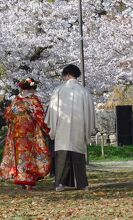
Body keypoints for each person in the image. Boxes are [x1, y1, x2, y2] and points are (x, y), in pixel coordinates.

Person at [45, 64, 96, 192]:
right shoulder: (84, 91)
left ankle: (60, 183)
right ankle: (82, 184)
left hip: (62, 125)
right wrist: (87, 127)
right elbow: (90, 112)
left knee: (62, 154)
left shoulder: (58, 90)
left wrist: (52, 126)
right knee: (78, 154)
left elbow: (52, 110)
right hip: (79, 126)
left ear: (67, 75)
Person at [0, 78, 51, 190]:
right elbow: (40, 117)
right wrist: (47, 129)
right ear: (31, 88)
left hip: (17, 134)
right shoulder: (33, 101)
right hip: (30, 134)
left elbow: (8, 116)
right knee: (29, 157)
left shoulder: (15, 101)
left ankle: (21, 179)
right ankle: (27, 180)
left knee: (19, 157)